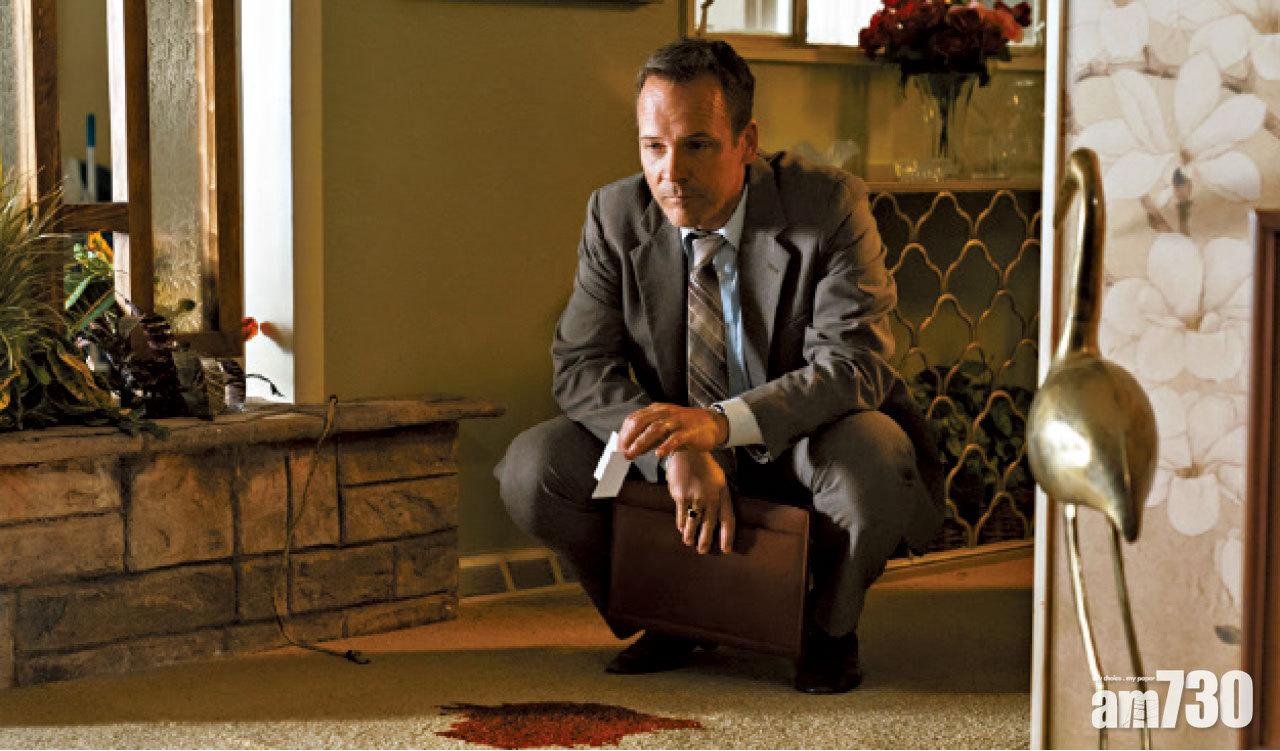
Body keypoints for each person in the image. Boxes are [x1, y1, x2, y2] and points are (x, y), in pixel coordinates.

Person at [496, 37, 943, 694]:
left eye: (697, 145)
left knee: (873, 457)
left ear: (747, 141)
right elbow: (580, 365)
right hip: (679, 455)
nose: (670, 171)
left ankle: (827, 629)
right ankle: (670, 613)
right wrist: (674, 445)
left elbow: (854, 364)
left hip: (799, 442)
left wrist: (718, 425)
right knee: (533, 468)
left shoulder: (828, 204)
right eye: (654, 146)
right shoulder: (615, 215)